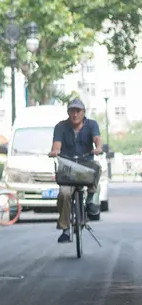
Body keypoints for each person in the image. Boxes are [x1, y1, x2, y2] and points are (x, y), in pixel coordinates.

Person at [48, 98, 102, 243]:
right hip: (68, 168)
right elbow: (57, 145)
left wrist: (98, 148)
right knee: (64, 194)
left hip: (86, 166)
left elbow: (97, 139)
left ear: (83, 113)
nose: (75, 114)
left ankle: (90, 199)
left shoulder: (92, 124)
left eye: (78, 111)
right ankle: (65, 229)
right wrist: (55, 151)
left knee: (97, 168)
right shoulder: (60, 126)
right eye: (72, 111)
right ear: (68, 113)